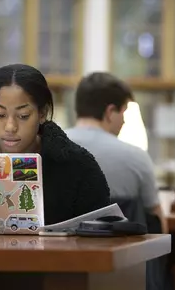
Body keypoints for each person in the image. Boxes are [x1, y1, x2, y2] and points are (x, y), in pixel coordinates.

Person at [0, 64, 110, 225]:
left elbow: (101, 234)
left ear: (42, 113)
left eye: (23, 116)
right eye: (0, 115)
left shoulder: (78, 166)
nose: (10, 127)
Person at [65, 72, 167, 233]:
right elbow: (157, 222)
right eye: (124, 112)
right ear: (110, 112)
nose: (124, 120)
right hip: (123, 256)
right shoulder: (137, 157)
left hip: (61, 255)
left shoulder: (46, 150)